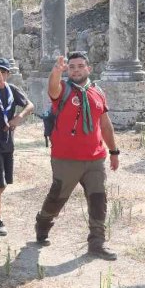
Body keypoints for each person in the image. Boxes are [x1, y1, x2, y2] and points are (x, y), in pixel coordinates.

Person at [34, 53, 120, 260]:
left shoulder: (97, 91)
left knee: (98, 199)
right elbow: (52, 89)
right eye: (71, 67)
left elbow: (105, 124)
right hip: (66, 158)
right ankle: (43, 223)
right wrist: (56, 71)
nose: (76, 70)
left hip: (95, 158)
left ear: (88, 69)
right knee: (58, 197)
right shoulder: (63, 90)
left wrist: (114, 151)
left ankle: (97, 243)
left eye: (80, 66)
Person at [0, 58, 34, 236]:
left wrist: (19, 117)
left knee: (5, 183)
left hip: (7, 141)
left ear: (8, 74)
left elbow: (30, 105)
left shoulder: (12, 90)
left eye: (3, 71)